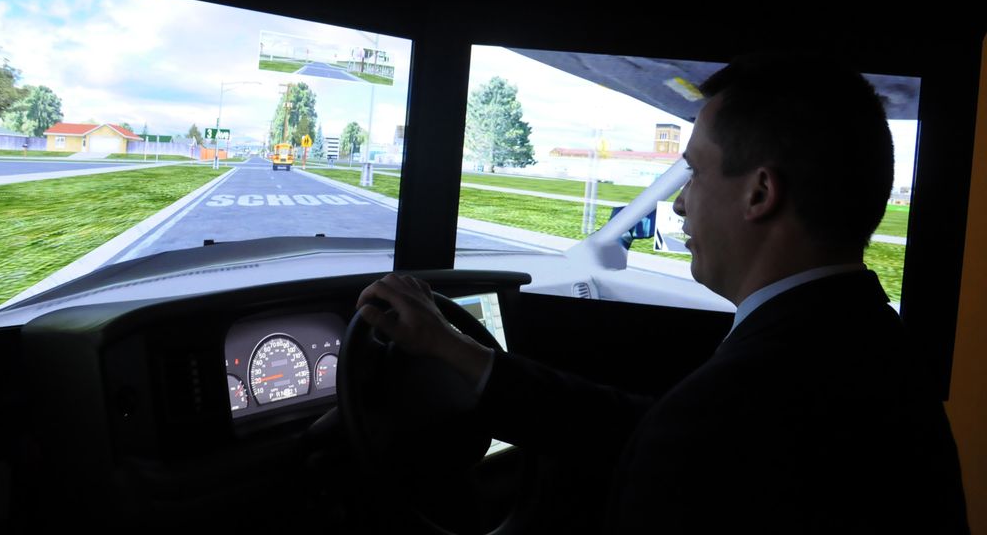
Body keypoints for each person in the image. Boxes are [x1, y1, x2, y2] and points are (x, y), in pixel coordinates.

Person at [357, 54, 968, 533]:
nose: (678, 201)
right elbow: (646, 428)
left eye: (696, 172)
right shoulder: (866, 343)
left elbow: (678, 437)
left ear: (760, 194)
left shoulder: (737, 405)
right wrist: (461, 355)